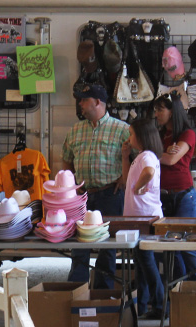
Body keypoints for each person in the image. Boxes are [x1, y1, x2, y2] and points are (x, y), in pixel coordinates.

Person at [62, 84, 130, 289]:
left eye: (84, 100)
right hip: (82, 196)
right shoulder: (75, 130)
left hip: (110, 194)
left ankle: (103, 295)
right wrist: (70, 185)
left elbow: (136, 159)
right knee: (78, 245)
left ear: (98, 102)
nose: (80, 104)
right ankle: (76, 292)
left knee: (107, 248)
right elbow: (66, 160)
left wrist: (124, 180)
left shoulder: (123, 130)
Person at [153, 91, 196, 281]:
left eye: (160, 110)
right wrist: (160, 152)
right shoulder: (160, 134)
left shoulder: (188, 134)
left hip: (184, 196)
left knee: (187, 247)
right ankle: (177, 293)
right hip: (162, 197)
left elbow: (171, 159)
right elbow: (160, 156)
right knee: (170, 248)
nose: (156, 114)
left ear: (172, 111)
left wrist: (155, 152)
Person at [121, 119, 165, 318]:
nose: (129, 139)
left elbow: (149, 172)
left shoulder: (147, 156)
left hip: (144, 219)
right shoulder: (139, 157)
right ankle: (143, 305)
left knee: (146, 262)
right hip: (138, 218)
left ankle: (160, 305)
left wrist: (139, 187)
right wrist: (124, 157)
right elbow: (125, 183)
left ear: (141, 136)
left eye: (131, 134)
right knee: (141, 263)